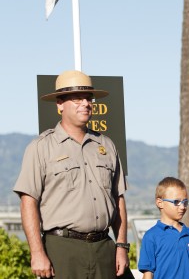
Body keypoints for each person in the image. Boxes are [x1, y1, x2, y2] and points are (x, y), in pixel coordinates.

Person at [13, 70, 129, 278]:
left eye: (88, 98)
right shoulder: (41, 147)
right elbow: (28, 202)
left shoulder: (107, 145)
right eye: (77, 98)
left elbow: (118, 199)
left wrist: (121, 246)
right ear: (60, 104)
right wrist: (37, 252)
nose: (85, 103)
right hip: (62, 249)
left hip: (104, 248)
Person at [138, 177, 189, 279]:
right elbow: (148, 274)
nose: (182, 207)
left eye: (185, 202)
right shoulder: (151, 236)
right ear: (160, 203)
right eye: (176, 202)